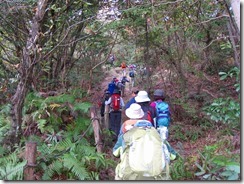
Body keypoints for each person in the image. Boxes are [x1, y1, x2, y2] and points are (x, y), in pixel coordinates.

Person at [113, 103, 171, 180]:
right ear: (142, 115)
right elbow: (172, 155)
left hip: (131, 175)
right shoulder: (156, 134)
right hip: (156, 176)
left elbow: (115, 152)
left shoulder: (126, 128)